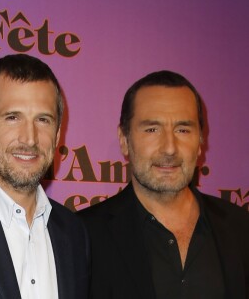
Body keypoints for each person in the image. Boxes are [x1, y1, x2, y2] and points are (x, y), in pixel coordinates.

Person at [79, 70, 249, 299]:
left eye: (182, 130)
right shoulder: (83, 237)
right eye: (152, 129)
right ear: (124, 140)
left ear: (200, 142)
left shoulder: (240, 228)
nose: (169, 147)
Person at [0, 54, 89, 299]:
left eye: (43, 120)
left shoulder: (74, 233)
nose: (30, 138)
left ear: (57, 137)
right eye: (13, 117)